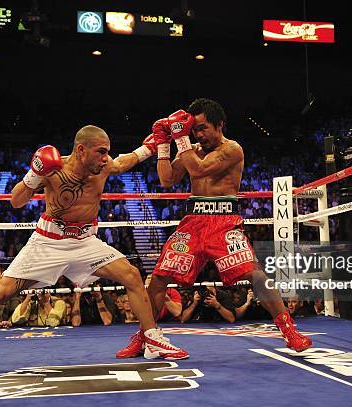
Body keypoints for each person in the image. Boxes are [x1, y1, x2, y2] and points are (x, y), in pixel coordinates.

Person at [0, 125, 187, 367]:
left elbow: (127, 160)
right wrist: (34, 174)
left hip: (85, 240)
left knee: (131, 275)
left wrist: (153, 145)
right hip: (48, 241)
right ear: (81, 150)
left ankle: (151, 338)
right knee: (0, 293)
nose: (106, 158)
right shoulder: (53, 170)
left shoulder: (104, 167)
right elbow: (16, 201)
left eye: (107, 152)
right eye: (101, 152)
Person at [117, 98, 312, 358]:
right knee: (159, 277)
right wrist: (164, 145)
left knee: (255, 275)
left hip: (224, 222)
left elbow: (197, 172)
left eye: (202, 128)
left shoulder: (232, 150)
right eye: (193, 129)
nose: (197, 134)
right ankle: (145, 337)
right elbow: (166, 180)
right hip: (194, 222)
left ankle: (290, 331)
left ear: (220, 124)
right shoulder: (191, 149)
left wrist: (179, 138)